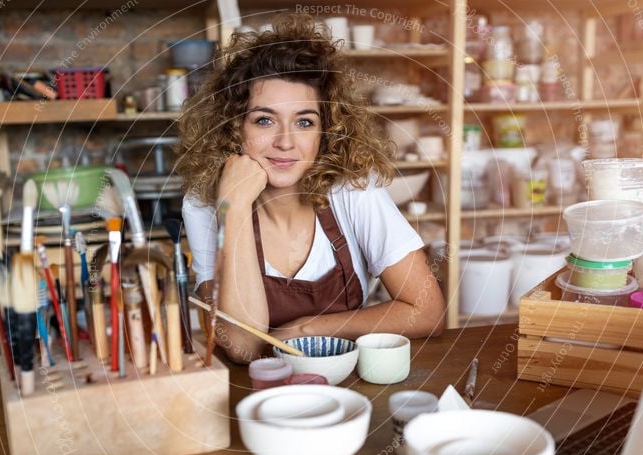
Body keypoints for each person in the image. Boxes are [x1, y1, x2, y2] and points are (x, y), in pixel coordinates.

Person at [177, 14, 445, 364]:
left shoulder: (352, 192)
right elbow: (243, 345)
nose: (286, 142)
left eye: (304, 122)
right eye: (264, 120)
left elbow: (428, 310)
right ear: (233, 129)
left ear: (325, 132)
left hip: (346, 384)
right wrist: (236, 206)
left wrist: (309, 329)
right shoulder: (204, 205)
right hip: (257, 392)